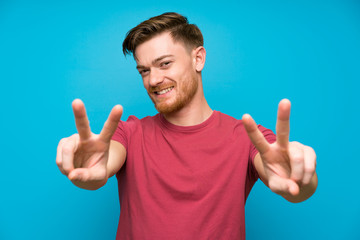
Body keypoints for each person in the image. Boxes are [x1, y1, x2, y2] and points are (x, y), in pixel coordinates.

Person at [56, 12, 318, 239]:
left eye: (165, 63)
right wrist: (87, 166)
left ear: (198, 59)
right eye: (144, 70)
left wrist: (298, 177)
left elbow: (295, 187)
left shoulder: (248, 137)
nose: (153, 80)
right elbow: (100, 168)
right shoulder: (130, 133)